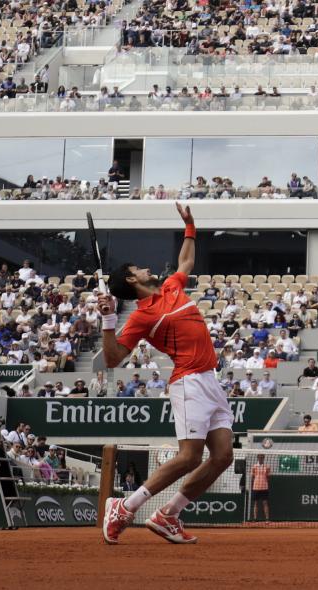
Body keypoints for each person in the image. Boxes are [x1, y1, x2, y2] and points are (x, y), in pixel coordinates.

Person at [100, 203, 231, 545]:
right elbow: (113, 359)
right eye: (139, 268)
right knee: (190, 456)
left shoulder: (172, 286)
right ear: (132, 279)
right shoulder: (142, 316)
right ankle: (126, 506)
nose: (146, 268)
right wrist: (108, 321)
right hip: (188, 382)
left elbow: (186, 260)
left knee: (222, 457)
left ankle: (168, 514)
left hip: (210, 380)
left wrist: (190, 226)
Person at [250, 454, 270, 522]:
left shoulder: (267, 467)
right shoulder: (254, 467)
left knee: (265, 503)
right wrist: (256, 482)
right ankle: (255, 519)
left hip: (264, 487)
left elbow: (268, 476)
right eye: (260, 457)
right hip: (256, 487)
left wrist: (264, 482)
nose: (261, 458)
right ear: (257, 458)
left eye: (262, 457)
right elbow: (252, 477)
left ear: (264, 458)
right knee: (255, 503)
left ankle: (267, 519)